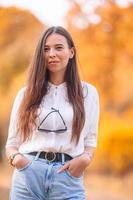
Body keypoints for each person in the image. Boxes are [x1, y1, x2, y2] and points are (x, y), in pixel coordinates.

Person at [5, 26, 99, 200]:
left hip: (67, 177)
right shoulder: (26, 94)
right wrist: (18, 160)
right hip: (28, 176)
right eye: (46, 49)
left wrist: (85, 160)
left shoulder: (88, 93)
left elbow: (91, 139)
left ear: (71, 52)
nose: (51, 54)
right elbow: (12, 143)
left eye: (58, 47)